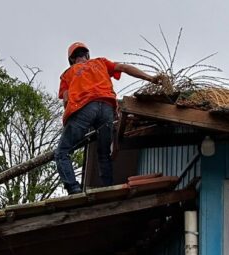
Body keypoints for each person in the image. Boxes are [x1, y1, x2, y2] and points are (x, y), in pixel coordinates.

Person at [55, 42, 160, 194]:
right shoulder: (100, 63)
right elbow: (124, 68)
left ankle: (73, 189)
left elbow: (66, 100)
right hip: (107, 109)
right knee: (104, 153)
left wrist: (75, 124)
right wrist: (150, 78)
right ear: (87, 55)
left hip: (84, 109)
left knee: (62, 152)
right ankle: (108, 189)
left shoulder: (68, 73)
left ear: (71, 60)